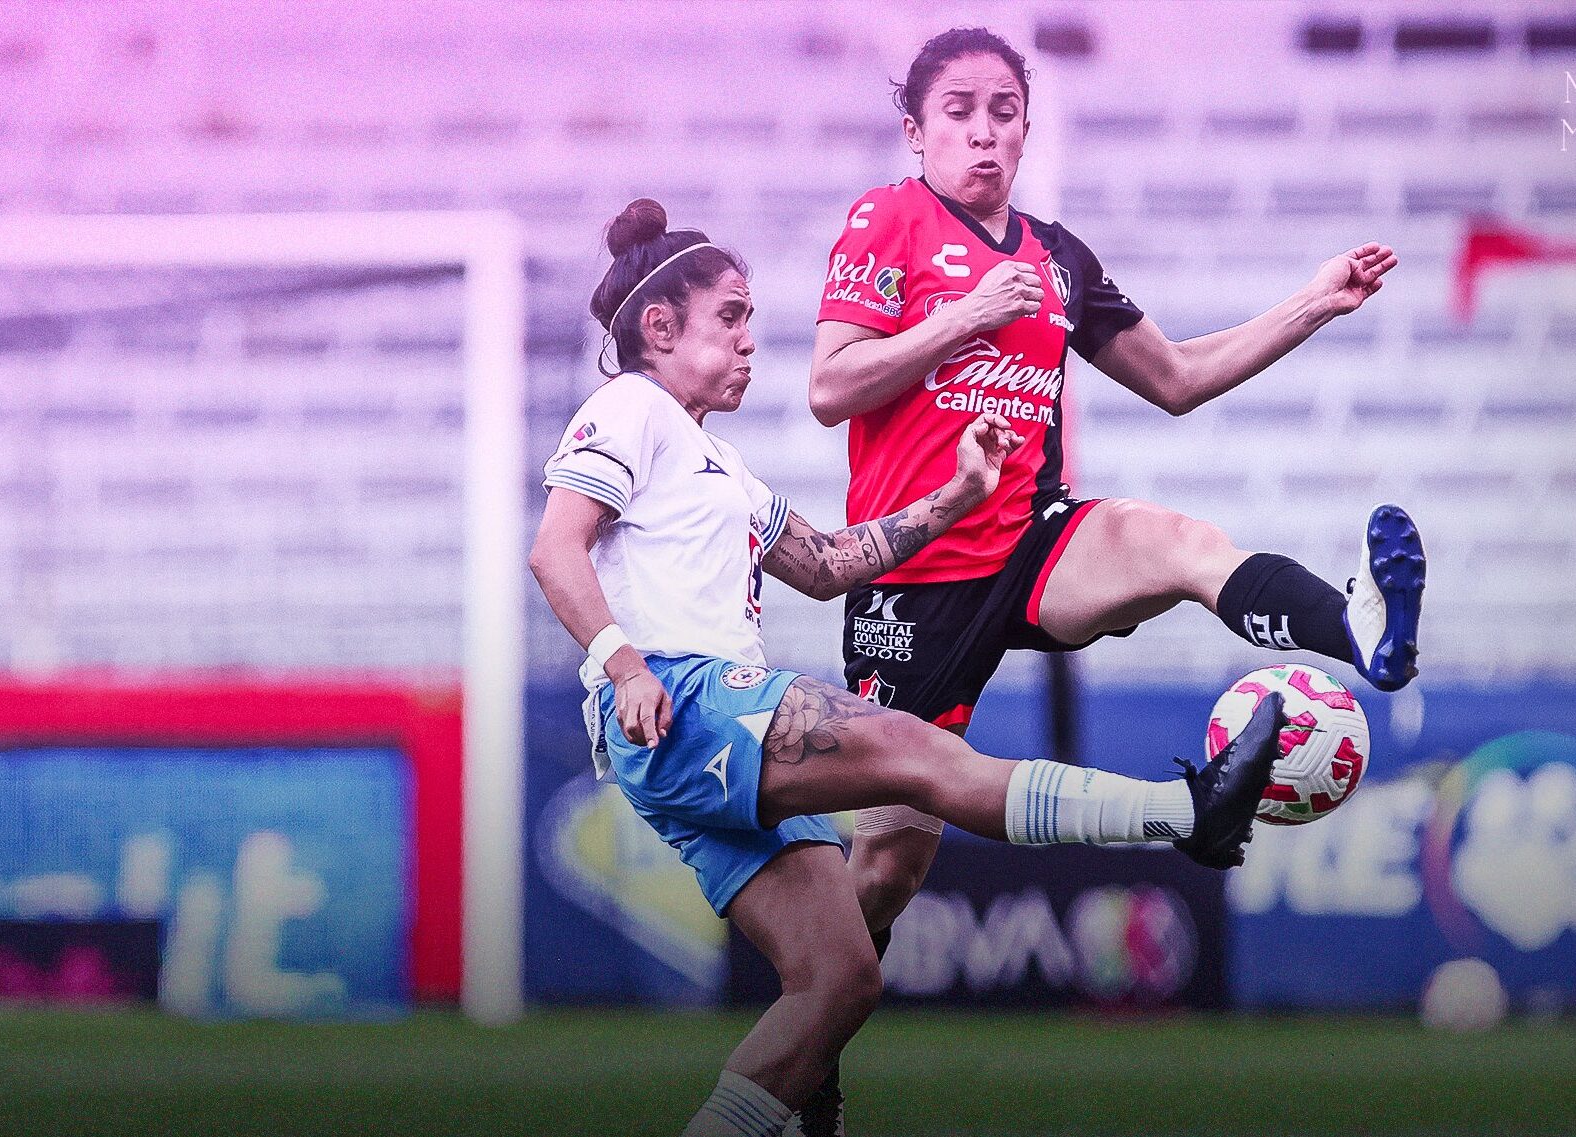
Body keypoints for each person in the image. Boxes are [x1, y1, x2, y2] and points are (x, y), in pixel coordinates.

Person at [530, 197, 1287, 1137]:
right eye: (731, 317)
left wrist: (959, 493)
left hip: (698, 737)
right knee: (917, 754)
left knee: (841, 976)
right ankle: (1188, 812)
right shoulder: (629, 406)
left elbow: (827, 565)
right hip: (678, 701)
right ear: (659, 325)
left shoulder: (721, 463)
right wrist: (624, 663)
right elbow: (556, 548)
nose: (750, 340)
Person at [798, 25, 1428, 1134]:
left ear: (1026, 126)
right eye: (957, 110)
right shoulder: (885, 220)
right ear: (914, 128)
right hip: (912, 574)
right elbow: (830, 387)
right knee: (891, 858)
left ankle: (1359, 626)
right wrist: (959, 320)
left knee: (1168, 538)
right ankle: (810, 1052)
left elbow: (1177, 379)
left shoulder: (1056, 259)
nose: (983, 130)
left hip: (1034, 542)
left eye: (1003, 109)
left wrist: (1313, 303)